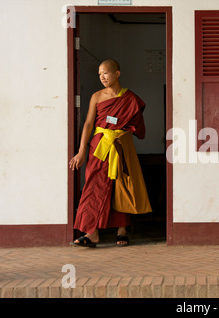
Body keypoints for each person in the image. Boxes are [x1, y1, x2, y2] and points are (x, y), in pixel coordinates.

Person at [69, 59, 151, 247]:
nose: (102, 77)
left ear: (117, 74)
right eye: (99, 74)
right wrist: (82, 151)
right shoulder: (97, 97)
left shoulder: (131, 98)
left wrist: (123, 133)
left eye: (105, 73)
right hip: (99, 147)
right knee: (93, 186)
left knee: (120, 188)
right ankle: (91, 232)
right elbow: (89, 124)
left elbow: (138, 128)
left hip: (121, 146)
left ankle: (121, 230)